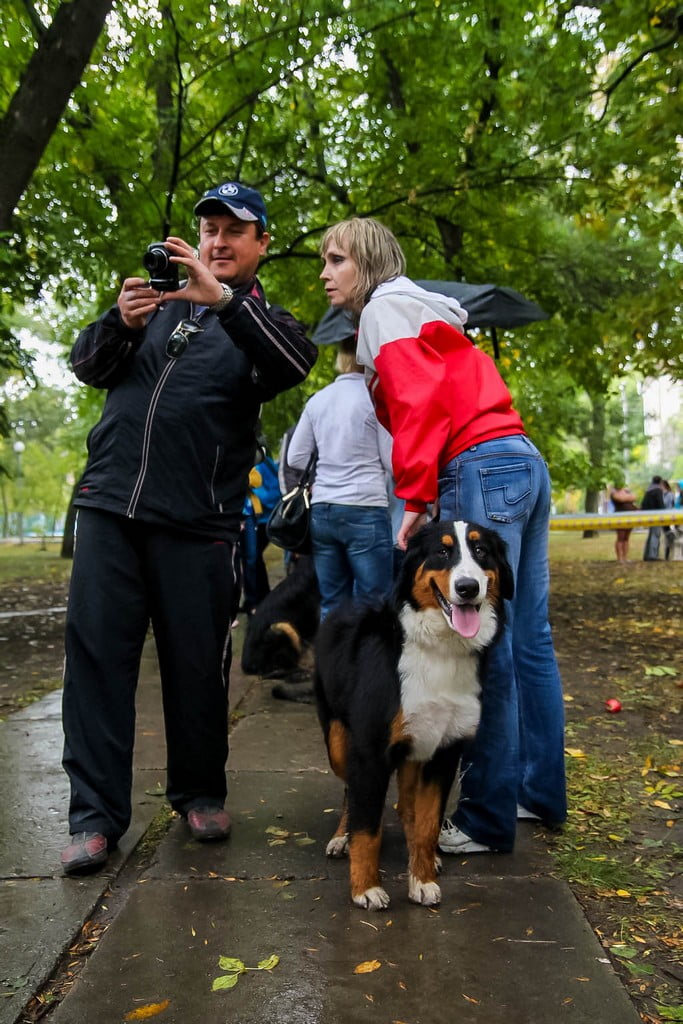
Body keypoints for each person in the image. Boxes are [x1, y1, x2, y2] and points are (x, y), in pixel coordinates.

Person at [60, 181, 317, 874]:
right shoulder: (154, 306)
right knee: (94, 667)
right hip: (109, 509)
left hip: (199, 523)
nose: (218, 241)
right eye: (209, 228)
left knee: (197, 669)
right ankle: (94, 817)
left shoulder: (263, 322)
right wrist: (121, 321)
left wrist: (225, 304)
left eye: (236, 231)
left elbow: (293, 365)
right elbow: (85, 366)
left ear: (261, 244)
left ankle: (200, 793)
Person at [318, 216, 567, 854]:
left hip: (477, 464)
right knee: (531, 636)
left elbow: (421, 400)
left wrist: (416, 493)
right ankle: (538, 792)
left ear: (368, 264)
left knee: (490, 646)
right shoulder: (429, 313)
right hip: (519, 459)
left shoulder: (383, 310)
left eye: (338, 259)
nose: (325, 273)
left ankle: (487, 817)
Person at [287, 342, 394, 620]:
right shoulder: (375, 399)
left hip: (323, 509)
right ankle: (368, 663)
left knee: (332, 601)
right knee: (374, 600)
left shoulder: (318, 400)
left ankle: (331, 663)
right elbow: (392, 461)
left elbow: (295, 458)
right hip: (365, 507)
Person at [610, 484, 638, 562]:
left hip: (630, 517)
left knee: (626, 538)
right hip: (620, 518)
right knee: (620, 537)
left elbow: (634, 497)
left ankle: (625, 557)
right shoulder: (613, 493)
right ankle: (619, 558)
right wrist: (628, 498)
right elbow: (621, 499)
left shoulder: (627, 491)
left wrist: (626, 497)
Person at [641, 475, 665, 561]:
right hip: (656, 515)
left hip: (649, 515)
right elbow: (660, 504)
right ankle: (653, 555)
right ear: (660, 482)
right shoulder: (658, 490)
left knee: (651, 535)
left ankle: (647, 555)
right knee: (655, 535)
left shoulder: (648, 490)